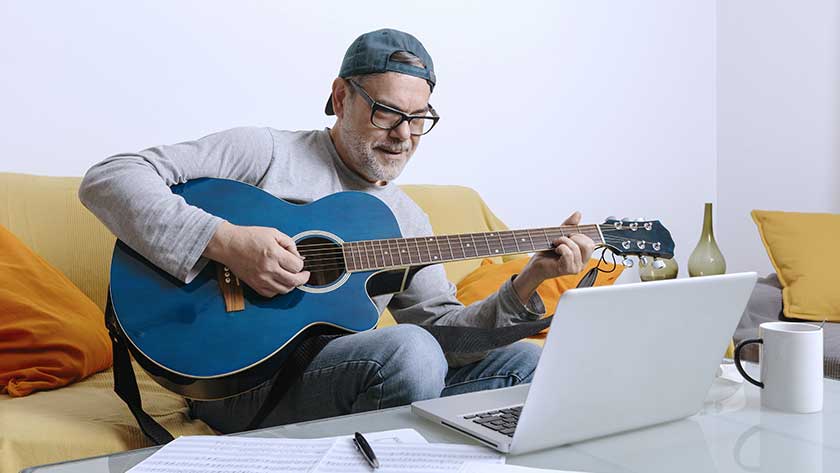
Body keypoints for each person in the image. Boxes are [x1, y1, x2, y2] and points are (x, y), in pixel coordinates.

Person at [79, 28, 595, 434]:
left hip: (338, 375)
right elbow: (110, 177)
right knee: (407, 351)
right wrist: (227, 243)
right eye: (388, 112)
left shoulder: (405, 218)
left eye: (419, 120)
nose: (403, 137)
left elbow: (444, 337)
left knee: (525, 364)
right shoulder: (265, 152)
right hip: (236, 380)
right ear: (341, 96)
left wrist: (527, 283)